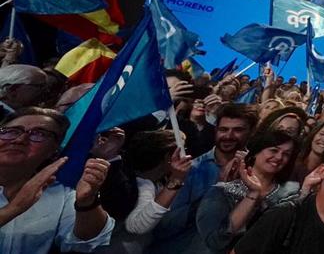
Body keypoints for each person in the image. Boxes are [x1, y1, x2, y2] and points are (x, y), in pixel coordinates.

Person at [0, 107, 113, 253]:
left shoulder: (62, 196)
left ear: (53, 151)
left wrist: (87, 202)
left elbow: (88, 242)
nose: (20, 140)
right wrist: (13, 209)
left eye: (39, 134)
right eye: (11, 131)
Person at [149, 103, 257, 253]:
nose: (229, 136)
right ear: (216, 130)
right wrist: (215, 194)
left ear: (251, 132)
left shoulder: (257, 171)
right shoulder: (192, 169)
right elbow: (165, 225)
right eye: (223, 129)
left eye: (238, 130)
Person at [195, 129, 299, 253]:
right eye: (274, 150)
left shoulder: (291, 193)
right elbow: (215, 241)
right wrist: (253, 194)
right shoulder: (222, 192)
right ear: (256, 152)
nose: (279, 157)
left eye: (286, 154)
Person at [102, 129, 192, 254]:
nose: (185, 156)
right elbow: (137, 226)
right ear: (168, 157)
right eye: (183, 151)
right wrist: (176, 180)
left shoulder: (156, 182)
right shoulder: (142, 185)